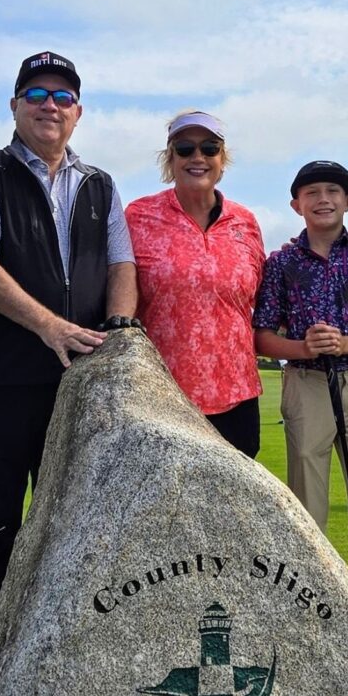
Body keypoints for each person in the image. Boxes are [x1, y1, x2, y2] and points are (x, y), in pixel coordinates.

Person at [0, 51, 137, 661]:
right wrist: (50, 325)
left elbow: (120, 264)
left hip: (77, 382)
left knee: (76, 527)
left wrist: (122, 327)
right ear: (15, 106)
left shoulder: (99, 184)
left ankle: (61, 662)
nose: (49, 105)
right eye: (36, 94)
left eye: (62, 96)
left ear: (77, 112)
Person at [254, 161, 348, 622]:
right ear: (297, 205)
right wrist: (302, 346)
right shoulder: (280, 263)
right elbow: (262, 336)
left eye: (333, 191)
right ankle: (308, 611)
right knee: (306, 500)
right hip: (306, 383)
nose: (323, 199)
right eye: (311, 192)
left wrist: (345, 343)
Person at [125, 111, 266, 457]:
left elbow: (259, 299)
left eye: (210, 147)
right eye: (185, 148)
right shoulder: (137, 217)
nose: (198, 157)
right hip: (160, 396)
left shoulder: (245, 221)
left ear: (223, 158)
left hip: (237, 395)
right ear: (170, 159)